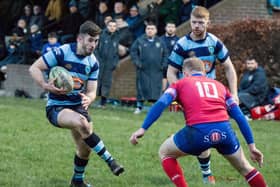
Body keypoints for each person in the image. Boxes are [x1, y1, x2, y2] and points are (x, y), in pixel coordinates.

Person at [130, 57, 267, 187]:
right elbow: (239, 117)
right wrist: (252, 146)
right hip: (225, 131)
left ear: (185, 73)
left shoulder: (180, 84)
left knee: (165, 152)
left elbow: (161, 104)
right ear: (205, 71)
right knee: (245, 168)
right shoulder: (220, 86)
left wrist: (143, 129)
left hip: (198, 131)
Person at [29, 20, 124, 187]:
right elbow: (34, 68)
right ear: (80, 39)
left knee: (85, 149)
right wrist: (45, 85)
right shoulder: (62, 52)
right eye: (90, 40)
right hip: (57, 107)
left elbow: (92, 91)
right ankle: (111, 161)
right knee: (83, 124)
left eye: (96, 41)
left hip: (78, 106)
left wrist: (90, 98)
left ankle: (77, 181)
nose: (93, 45)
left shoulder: (93, 62)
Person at [167, 6, 238, 183]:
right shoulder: (182, 44)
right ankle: (207, 172)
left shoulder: (214, 42)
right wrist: (176, 94)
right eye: (194, 22)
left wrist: (234, 93)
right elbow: (171, 71)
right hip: (192, 98)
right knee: (201, 134)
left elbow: (229, 67)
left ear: (208, 22)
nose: (197, 25)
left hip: (213, 95)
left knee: (214, 133)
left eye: (200, 22)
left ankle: (226, 166)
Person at [130, 21, 169, 114]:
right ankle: (139, 107)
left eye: (152, 29)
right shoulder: (139, 40)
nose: (150, 31)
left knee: (155, 89)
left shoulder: (160, 42)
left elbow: (166, 54)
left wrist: (163, 65)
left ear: (155, 31)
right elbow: (133, 52)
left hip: (156, 70)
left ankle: (154, 108)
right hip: (143, 69)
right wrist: (138, 63)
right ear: (145, 30)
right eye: (148, 29)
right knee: (141, 88)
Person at [95, 19, 120, 107]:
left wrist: (115, 63)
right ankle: (90, 100)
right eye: (110, 26)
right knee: (96, 81)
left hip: (110, 63)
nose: (112, 28)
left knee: (107, 83)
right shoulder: (101, 35)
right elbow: (96, 48)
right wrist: (97, 60)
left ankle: (103, 103)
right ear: (107, 26)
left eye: (114, 26)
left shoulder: (117, 36)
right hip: (100, 61)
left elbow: (116, 52)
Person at [160, 22, 179, 91]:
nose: (170, 29)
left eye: (172, 27)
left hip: (173, 67)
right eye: (169, 27)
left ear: (175, 29)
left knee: (172, 88)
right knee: (162, 89)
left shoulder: (178, 40)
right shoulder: (160, 39)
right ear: (165, 28)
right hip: (162, 66)